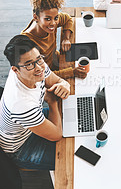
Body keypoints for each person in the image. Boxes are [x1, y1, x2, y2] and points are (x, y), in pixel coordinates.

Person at [0, 35, 70, 170]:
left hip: (33, 119)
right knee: (71, 160)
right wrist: (52, 102)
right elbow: (56, 135)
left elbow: (56, 81)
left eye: (39, 59)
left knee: (78, 124)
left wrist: (64, 84)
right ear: (15, 70)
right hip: (21, 147)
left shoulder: (37, 68)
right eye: (29, 64)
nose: (38, 68)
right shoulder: (21, 105)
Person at [21, 0, 87, 79]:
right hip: (47, 76)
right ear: (35, 17)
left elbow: (67, 18)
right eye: (48, 19)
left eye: (56, 18)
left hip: (56, 61)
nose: (53, 23)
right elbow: (41, 76)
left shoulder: (50, 22)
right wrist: (71, 72)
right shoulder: (27, 43)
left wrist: (66, 38)